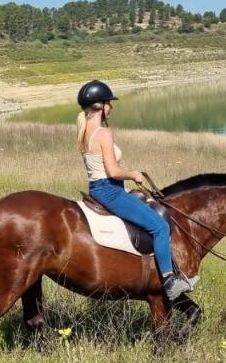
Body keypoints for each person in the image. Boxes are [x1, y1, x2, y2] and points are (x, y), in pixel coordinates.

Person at [76, 80, 193, 301]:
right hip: (109, 190)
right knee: (159, 226)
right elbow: (112, 170)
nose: (112, 107)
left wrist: (124, 186)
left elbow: (97, 171)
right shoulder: (103, 133)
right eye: (109, 103)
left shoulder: (84, 131)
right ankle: (169, 280)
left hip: (98, 189)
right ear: (100, 106)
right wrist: (133, 174)